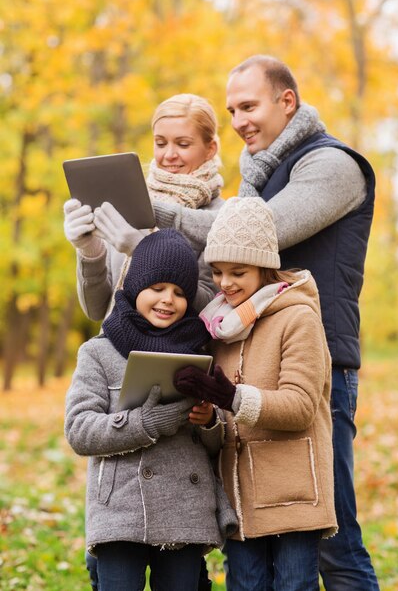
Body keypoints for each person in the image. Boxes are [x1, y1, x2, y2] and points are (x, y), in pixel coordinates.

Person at [151, 55, 379, 590]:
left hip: (316, 367)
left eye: (249, 105)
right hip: (248, 363)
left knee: (332, 538)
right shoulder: (260, 177)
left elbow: (256, 230)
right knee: (254, 529)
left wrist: (155, 211)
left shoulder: (333, 165)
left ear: (287, 101)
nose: (238, 120)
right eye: (231, 109)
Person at [172, 197, 337, 591]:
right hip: (239, 497)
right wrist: (210, 416)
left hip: (293, 492)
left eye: (238, 272)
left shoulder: (298, 318)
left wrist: (231, 398)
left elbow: (299, 408)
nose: (225, 283)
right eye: (217, 272)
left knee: (295, 585)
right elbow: (224, 421)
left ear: (264, 267)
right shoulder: (220, 327)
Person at [64, 228, 237, 591]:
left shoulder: (201, 350)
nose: (167, 300)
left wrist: (208, 423)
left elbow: (215, 443)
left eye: (179, 293)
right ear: (134, 286)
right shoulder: (98, 351)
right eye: (157, 288)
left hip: (185, 511)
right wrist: (144, 422)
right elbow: (79, 430)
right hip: (120, 512)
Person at [63, 93, 224, 321]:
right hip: (113, 350)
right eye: (160, 143)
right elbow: (97, 310)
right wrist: (89, 250)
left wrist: (143, 252)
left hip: (176, 353)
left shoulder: (220, 216)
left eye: (183, 144)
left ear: (211, 149)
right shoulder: (129, 204)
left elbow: (209, 307)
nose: (169, 154)